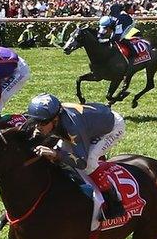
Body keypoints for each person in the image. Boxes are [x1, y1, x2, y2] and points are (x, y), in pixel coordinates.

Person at [23, 94, 126, 222]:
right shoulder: (56, 120)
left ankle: (114, 201)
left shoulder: (72, 127)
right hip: (89, 125)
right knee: (61, 155)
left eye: (42, 123)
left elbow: (81, 162)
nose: (37, 127)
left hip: (112, 128)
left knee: (89, 161)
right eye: (35, 121)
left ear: (55, 119)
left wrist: (55, 154)